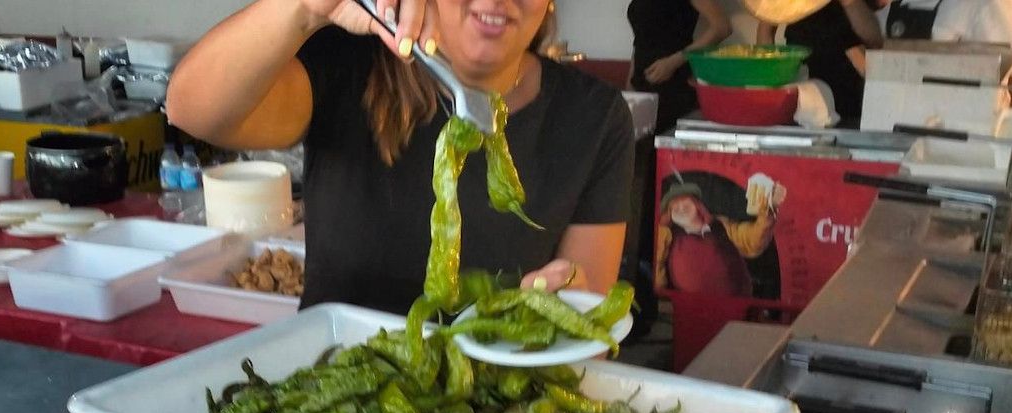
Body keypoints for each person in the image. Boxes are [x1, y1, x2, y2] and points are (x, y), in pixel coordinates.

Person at [166, 0, 634, 315]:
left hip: (502, 410)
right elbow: (193, 109)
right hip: (337, 392)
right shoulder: (345, 62)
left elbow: (587, 294)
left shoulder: (595, 115)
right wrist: (306, 8)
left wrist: (569, 293)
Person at [873, 0, 1012, 107]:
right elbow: (874, 39)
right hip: (902, 120)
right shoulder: (898, 3)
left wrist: (1009, 135)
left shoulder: (990, 3)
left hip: (968, 130)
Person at [654, 179, 786, 297]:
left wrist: (768, 209)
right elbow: (657, 273)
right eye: (675, 208)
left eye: (686, 205)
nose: (681, 209)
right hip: (690, 310)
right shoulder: (668, 237)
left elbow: (753, 241)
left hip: (737, 306)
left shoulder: (721, 226)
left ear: (698, 206)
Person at [756, 0, 883, 121]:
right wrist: (772, 86)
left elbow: (874, 38)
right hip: (803, 98)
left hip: (850, 97)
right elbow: (765, 31)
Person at [626, 0, 731, 133]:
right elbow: (641, 39)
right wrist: (630, 87)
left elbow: (722, 27)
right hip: (642, 86)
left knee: (666, 143)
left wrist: (673, 62)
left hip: (674, 84)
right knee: (639, 148)